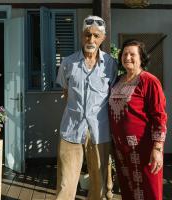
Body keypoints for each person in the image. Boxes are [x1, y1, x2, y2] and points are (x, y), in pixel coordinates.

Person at [55, 15, 117, 200]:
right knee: (66, 181)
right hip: (71, 129)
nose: (91, 40)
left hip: (100, 130)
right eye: (87, 35)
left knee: (98, 183)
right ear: (82, 36)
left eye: (96, 36)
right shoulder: (68, 63)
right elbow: (66, 94)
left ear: (103, 38)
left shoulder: (111, 64)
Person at [109, 39, 167, 200]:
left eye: (132, 54)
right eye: (125, 54)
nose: (127, 57)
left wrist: (157, 149)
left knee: (149, 190)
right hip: (121, 148)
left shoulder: (149, 81)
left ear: (141, 58)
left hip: (143, 148)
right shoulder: (117, 81)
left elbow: (160, 117)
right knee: (128, 189)